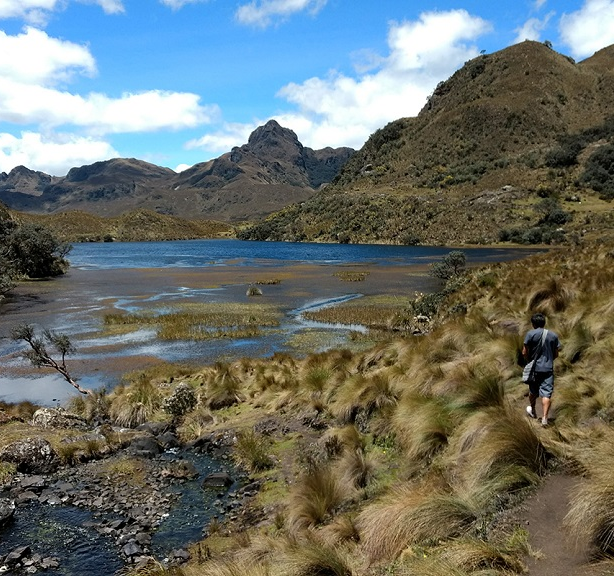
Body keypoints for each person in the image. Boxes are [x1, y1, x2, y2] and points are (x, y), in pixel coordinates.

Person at [523, 312, 561, 426]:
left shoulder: (530, 334)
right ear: (544, 323)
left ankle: (533, 410)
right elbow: (556, 354)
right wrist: (548, 360)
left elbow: (524, 352)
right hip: (548, 369)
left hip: (534, 368)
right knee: (546, 394)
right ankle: (545, 418)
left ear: (533, 324)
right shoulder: (553, 336)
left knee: (533, 390)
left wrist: (529, 360)